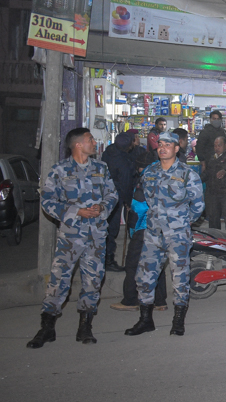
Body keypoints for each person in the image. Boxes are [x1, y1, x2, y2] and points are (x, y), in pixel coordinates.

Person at [27, 128, 118, 349]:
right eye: (90, 139)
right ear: (78, 144)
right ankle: (47, 327)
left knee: (93, 281)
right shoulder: (60, 170)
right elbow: (47, 201)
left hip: (96, 235)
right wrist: (76, 212)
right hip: (70, 236)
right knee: (58, 281)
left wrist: (102, 207)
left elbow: (112, 194)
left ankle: (85, 327)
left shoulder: (101, 168)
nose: (94, 142)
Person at [124, 131, 204, 338]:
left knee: (179, 278)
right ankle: (145, 320)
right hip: (153, 233)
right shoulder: (149, 171)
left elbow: (198, 206)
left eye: (168, 144)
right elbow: (146, 199)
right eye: (160, 144)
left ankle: (178, 321)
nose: (163, 147)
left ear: (177, 149)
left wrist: (182, 223)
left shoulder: (188, 174)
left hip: (177, 235)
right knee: (145, 277)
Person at [110, 179, 168, 312]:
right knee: (156, 264)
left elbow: (138, 209)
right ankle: (159, 301)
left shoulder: (145, 184)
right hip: (160, 229)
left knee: (132, 265)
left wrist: (130, 207)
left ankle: (130, 300)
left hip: (143, 230)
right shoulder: (164, 180)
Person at [101, 131, 138, 272]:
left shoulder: (109, 151)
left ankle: (104, 257)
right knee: (112, 228)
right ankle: (108, 260)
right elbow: (126, 183)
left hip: (104, 194)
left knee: (106, 226)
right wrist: (128, 203)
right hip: (116, 196)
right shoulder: (123, 161)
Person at [201, 133, 226, 231]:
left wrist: (225, 171)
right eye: (215, 145)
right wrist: (197, 179)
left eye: (219, 145)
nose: (217, 148)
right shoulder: (212, 158)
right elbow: (208, 172)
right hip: (213, 193)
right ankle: (215, 240)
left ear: (225, 146)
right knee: (213, 218)